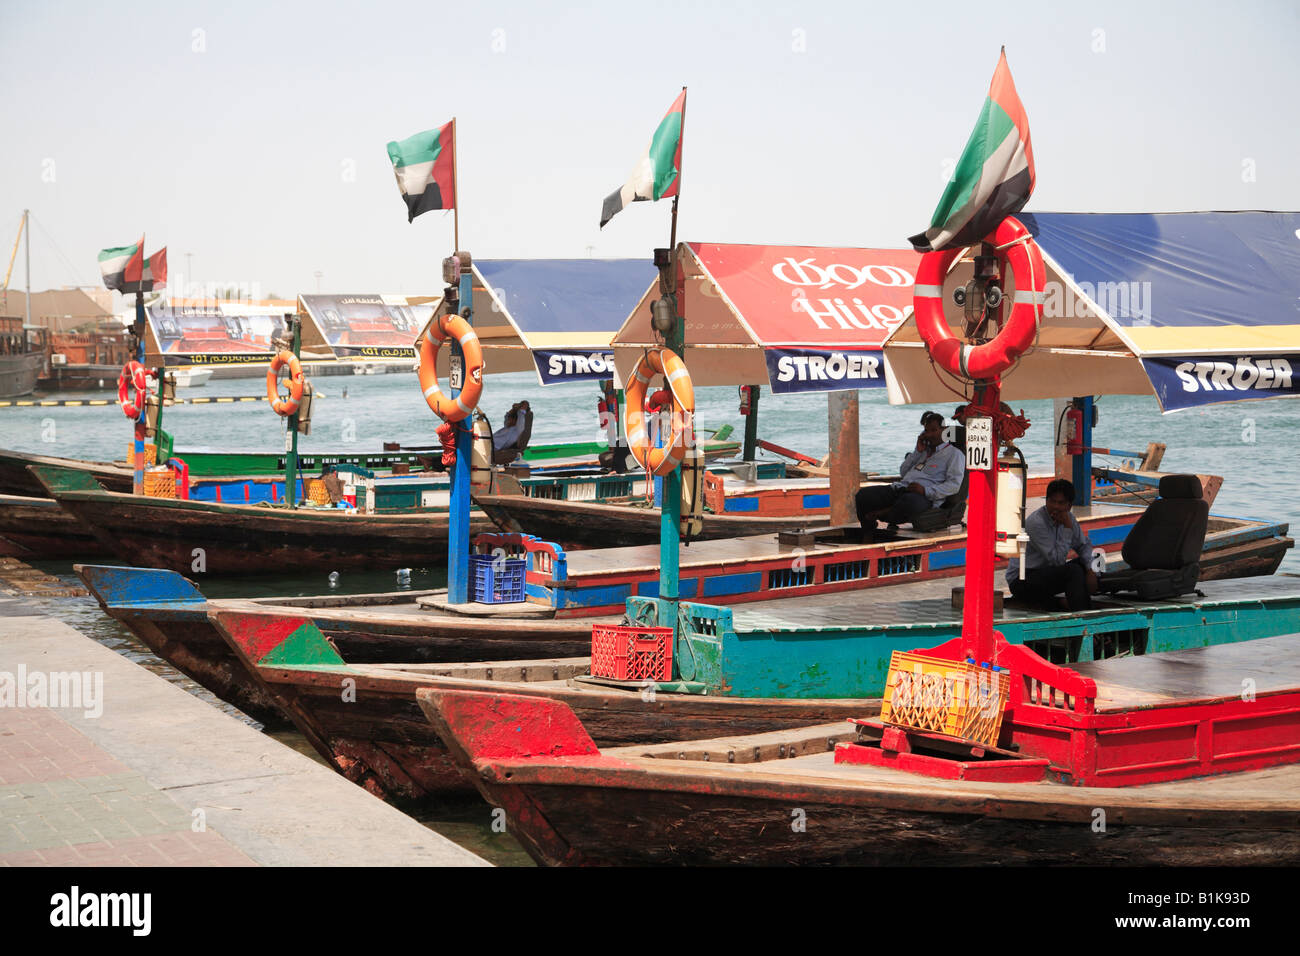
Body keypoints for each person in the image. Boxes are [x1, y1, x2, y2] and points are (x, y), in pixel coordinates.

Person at [854, 411, 964, 541]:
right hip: (901, 489)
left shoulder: (954, 454)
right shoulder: (923, 451)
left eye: (934, 430)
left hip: (924, 497)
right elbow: (903, 472)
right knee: (863, 495)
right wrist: (917, 451)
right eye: (927, 431)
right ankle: (868, 529)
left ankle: (883, 513)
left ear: (944, 430)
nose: (930, 435)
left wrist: (925, 490)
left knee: (911, 502)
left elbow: (953, 485)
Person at [1006, 477, 1099, 611]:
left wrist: (1091, 570)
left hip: (1046, 573)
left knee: (1097, 559)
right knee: (1073, 572)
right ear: (1046, 500)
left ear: (1069, 505)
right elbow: (1057, 561)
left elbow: (1083, 545)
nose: (1056, 507)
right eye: (1052, 501)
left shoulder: (1069, 518)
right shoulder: (1036, 523)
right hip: (1022, 580)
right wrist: (1067, 528)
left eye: (1061, 503)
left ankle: (1075, 602)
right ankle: (1083, 615)